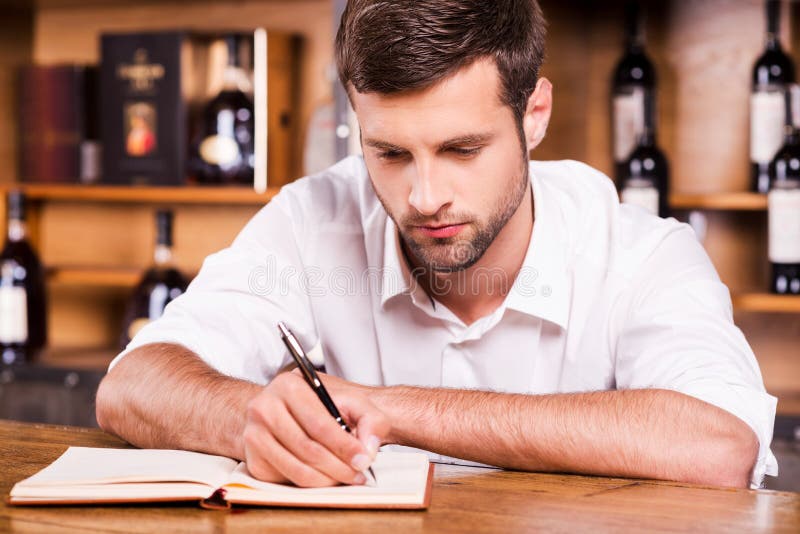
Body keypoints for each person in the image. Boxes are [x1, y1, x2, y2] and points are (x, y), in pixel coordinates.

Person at [96, 0, 777, 490]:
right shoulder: (312, 218)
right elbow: (131, 385)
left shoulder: (643, 253)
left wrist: (387, 409)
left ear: (534, 115)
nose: (424, 196)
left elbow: (718, 444)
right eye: (390, 153)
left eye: (462, 149)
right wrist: (252, 418)